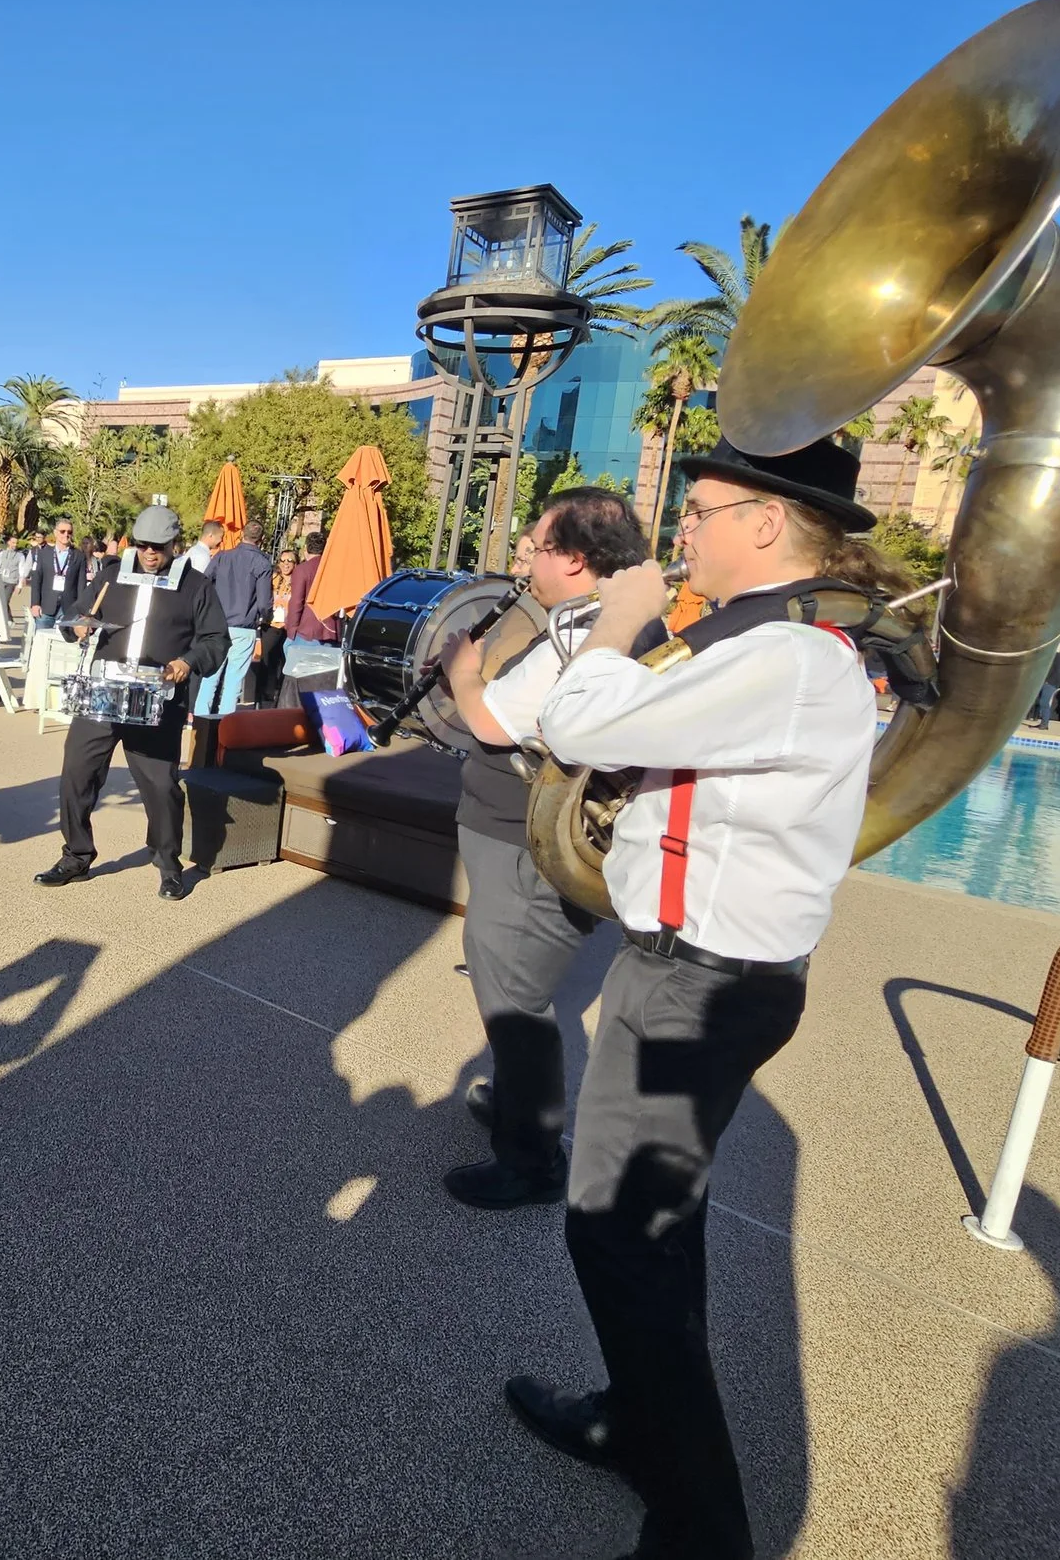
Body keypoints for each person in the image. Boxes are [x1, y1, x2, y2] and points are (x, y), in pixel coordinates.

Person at [498, 438, 896, 1560]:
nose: (678, 530)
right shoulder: (768, 649)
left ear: (765, 524)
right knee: (655, 1235)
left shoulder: (791, 656)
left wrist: (616, 625)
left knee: (618, 1236)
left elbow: (578, 724)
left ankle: (701, 1529)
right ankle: (637, 1420)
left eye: (700, 509)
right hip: (687, 972)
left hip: (701, 983)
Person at [436, 488, 661, 1206]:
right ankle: (512, 1099)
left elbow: (493, 721)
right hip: (520, 832)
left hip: (525, 839)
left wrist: (461, 670)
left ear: (575, 557)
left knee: (514, 997)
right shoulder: (610, 622)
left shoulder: (590, 633)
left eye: (539, 543)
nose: (527, 554)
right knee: (513, 980)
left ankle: (529, 1155)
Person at [35, 504, 230, 901]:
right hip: (103, 693)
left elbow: (215, 640)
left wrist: (187, 662)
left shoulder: (195, 586)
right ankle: (76, 854)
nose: (150, 553)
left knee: (161, 786)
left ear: (175, 543)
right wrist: (76, 626)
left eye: (158, 545)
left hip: (158, 700)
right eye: (143, 545)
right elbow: (78, 615)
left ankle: (168, 862)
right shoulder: (111, 574)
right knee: (76, 771)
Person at [194, 517, 274, 725]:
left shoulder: (222, 556)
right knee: (233, 681)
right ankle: (225, 726)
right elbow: (265, 602)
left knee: (210, 676)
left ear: (241, 535)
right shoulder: (262, 563)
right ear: (262, 539)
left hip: (217, 625)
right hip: (244, 627)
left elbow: (204, 582)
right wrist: (265, 617)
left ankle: (200, 725)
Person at [29, 515, 89, 626]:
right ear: (55, 533)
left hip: (68, 609)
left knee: (64, 643)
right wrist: (35, 604)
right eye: (62, 531)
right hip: (46, 608)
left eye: (69, 532)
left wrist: (80, 609)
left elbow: (81, 585)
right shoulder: (44, 554)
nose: (66, 534)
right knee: (42, 641)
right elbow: (36, 580)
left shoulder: (79, 556)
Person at [258, 546, 297, 704]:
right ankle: (264, 694)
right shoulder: (272, 578)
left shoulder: (298, 581)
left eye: (290, 561)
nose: (286, 564)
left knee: (284, 661)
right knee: (267, 659)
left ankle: (280, 694)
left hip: (289, 627)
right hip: (271, 625)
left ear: (296, 564)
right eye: (283, 561)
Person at [285, 531, 337, 644]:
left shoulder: (302, 570)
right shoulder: (335, 569)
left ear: (306, 548)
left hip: (306, 631)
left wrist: (291, 631)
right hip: (331, 630)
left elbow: (296, 602)